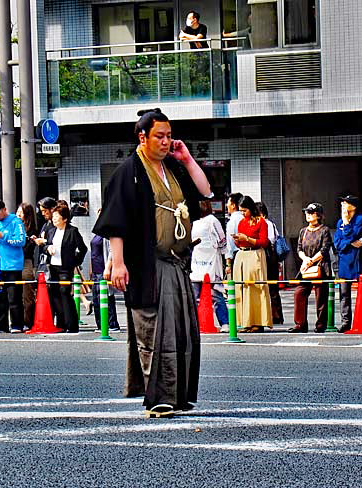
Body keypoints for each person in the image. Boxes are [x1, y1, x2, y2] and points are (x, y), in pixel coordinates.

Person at [93, 108, 211, 418]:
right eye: (159, 136)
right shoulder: (128, 171)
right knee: (154, 331)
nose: (166, 141)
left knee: (182, 333)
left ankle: (178, 395)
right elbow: (116, 220)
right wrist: (118, 262)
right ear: (142, 137)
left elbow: (205, 191)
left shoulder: (173, 167)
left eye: (169, 136)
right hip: (147, 264)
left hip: (176, 262)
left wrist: (187, 158)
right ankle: (158, 397)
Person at [289, 203, 333, 333]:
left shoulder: (324, 230)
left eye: (311, 212)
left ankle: (321, 325)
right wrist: (306, 260)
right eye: (307, 212)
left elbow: (325, 249)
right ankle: (300, 324)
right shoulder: (303, 231)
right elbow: (299, 249)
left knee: (321, 296)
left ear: (318, 215)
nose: (308, 215)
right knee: (299, 292)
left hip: (321, 266)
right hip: (306, 266)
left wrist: (312, 260)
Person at [0, 199, 26, 334]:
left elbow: (21, 241)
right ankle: (1, 324)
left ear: (4, 210)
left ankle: (17, 324)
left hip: (12, 265)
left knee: (14, 297)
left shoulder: (16, 221)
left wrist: (3, 236)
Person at [46, 202, 88, 333]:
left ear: (64, 219)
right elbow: (45, 246)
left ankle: (72, 324)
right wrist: (48, 248)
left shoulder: (72, 231)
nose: (54, 219)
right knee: (55, 294)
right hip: (53, 267)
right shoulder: (51, 231)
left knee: (65, 292)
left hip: (65, 268)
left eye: (56, 217)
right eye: (53, 216)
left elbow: (83, 248)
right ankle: (61, 324)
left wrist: (75, 261)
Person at [232, 195, 272, 333]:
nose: (243, 213)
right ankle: (245, 321)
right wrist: (238, 240)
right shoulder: (241, 222)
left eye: (245, 210)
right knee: (241, 287)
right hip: (242, 254)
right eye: (241, 211)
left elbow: (264, 242)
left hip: (255, 254)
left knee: (255, 287)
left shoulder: (261, 222)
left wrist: (247, 238)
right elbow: (240, 242)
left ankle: (258, 322)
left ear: (251, 208)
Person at [333, 195, 362, 333]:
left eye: (346, 203)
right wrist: (349, 243)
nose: (343, 205)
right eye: (342, 202)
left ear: (353, 206)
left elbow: (352, 235)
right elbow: (337, 243)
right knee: (344, 293)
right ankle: (345, 322)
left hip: (358, 260)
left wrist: (347, 224)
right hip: (344, 260)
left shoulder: (360, 219)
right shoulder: (340, 222)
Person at [190, 200, 229, 333]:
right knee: (202, 296)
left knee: (211, 295)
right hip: (202, 260)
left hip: (205, 261)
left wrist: (224, 256)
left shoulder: (208, 220)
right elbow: (222, 240)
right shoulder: (201, 221)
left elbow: (222, 240)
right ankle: (199, 324)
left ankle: (223, 322)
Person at [90, 209, 120, 332]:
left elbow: (112, 251)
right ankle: (101, 325)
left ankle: (112, 324)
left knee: (106, 297)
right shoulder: (98, 231)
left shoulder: (109, 233)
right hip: (96, 269)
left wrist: (108, 267)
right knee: (97, 298)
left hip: (104, 269)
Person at [257, 201, 284, 325]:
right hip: (272, 258)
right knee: (273, 288)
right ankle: (276, 315)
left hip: (268, 257)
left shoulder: (267, 224)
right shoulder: (271, 224)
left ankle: (276, 316)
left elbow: (270, 240)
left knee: (271, 287)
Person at [17, 203, 38, 330]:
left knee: (27, 295)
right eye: (18, 211)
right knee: (16, 295)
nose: (18, 214)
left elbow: (29, 249)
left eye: (21, 212)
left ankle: (28, 321)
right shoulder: (14, 226)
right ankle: (17, 321)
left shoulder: (32, 230)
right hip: (14, 263)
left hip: (26, 262)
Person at [33, 197, 57, 276]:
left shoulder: (57, 225)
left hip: (55, 263)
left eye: (45, 211)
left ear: (52, 209)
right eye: (42, 211)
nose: (43, 213)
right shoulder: (46, 224)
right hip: (43, 261)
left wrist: (45, 241)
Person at [225, 192, 244, 278]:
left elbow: (230, 244)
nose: (227, 205)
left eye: (228, 202)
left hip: (236, 256)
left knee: (236, 282)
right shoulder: (246, 218)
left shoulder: (232, 221)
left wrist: (228, 263)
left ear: (233, 205)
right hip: (248, 255)